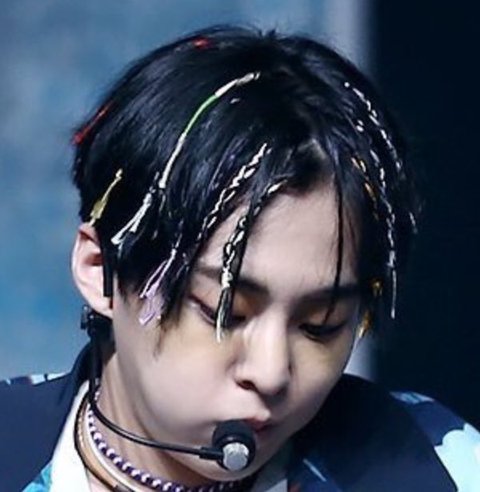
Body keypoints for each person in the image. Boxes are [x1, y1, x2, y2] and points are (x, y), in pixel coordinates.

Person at [1, 25, 479, 492]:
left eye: (321, 325)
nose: (271, 374)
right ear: (100, 269)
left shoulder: (441, 469)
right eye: (223, 311)